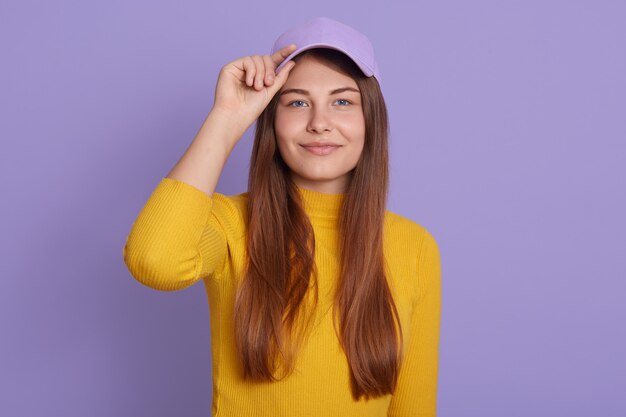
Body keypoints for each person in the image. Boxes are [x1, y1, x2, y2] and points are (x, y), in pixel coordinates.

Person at [123, 16, 441, 417]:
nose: (320, 123)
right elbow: (153, 262)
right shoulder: (230, 224)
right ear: (272, 120)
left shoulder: (414, 247)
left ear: (369, 120)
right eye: (297, 102)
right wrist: (225, 117)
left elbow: (414, 408)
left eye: (342, 101)